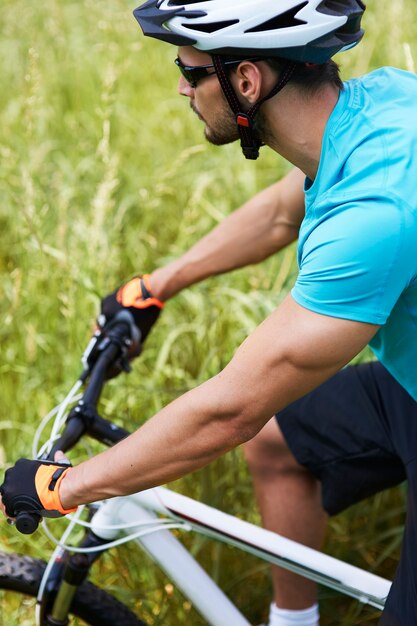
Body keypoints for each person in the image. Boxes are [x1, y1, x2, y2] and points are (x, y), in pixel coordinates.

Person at [1, 1, 417, 624]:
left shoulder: (376, 216)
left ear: (245, 81)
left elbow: (231, 410)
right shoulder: (380, 104)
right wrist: (157, 285)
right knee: (282, 446)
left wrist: (65, 487)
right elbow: (283, 213)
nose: (180, 87)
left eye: (191, 71)